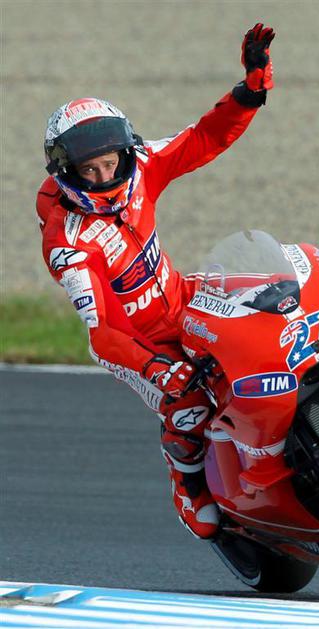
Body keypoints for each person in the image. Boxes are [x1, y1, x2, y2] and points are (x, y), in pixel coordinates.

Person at [37, 24, 275, 540]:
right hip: (138, 343)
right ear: (65, 172)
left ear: (126, 152)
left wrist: (248, 92)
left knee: (277, 297)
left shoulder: (141, 166)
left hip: (182, 296)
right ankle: (187, 482)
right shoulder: (68, 241)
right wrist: (157, 369)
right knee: (190, 404)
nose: (105, 178)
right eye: (90, 171)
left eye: (110, 164)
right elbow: (102, 333)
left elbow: (203, 138)